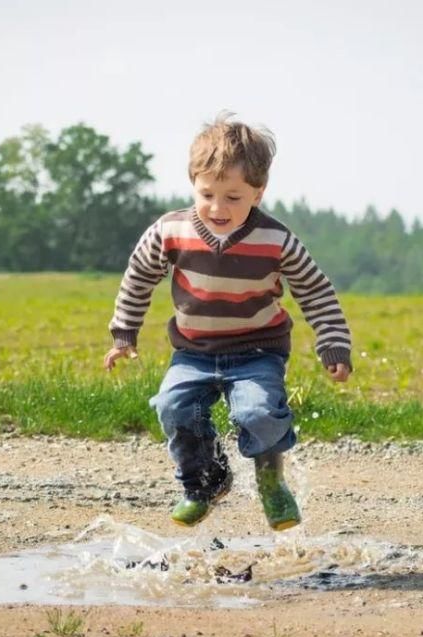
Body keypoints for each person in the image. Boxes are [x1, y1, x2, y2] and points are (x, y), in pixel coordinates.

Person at [104, 113, 352, 531]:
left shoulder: (277, 241)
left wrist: (333, 344)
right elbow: (139, 276)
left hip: (258, 351)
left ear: (258, 192)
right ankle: (206, 481)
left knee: (257, 413)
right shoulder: (171, 230)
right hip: (193, 352)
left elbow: (316, 291)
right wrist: (123, 333)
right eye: (208, 194)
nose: (218, 208)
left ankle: (271, 479)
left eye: (233, 197)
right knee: (173, 407)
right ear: (193, 184)